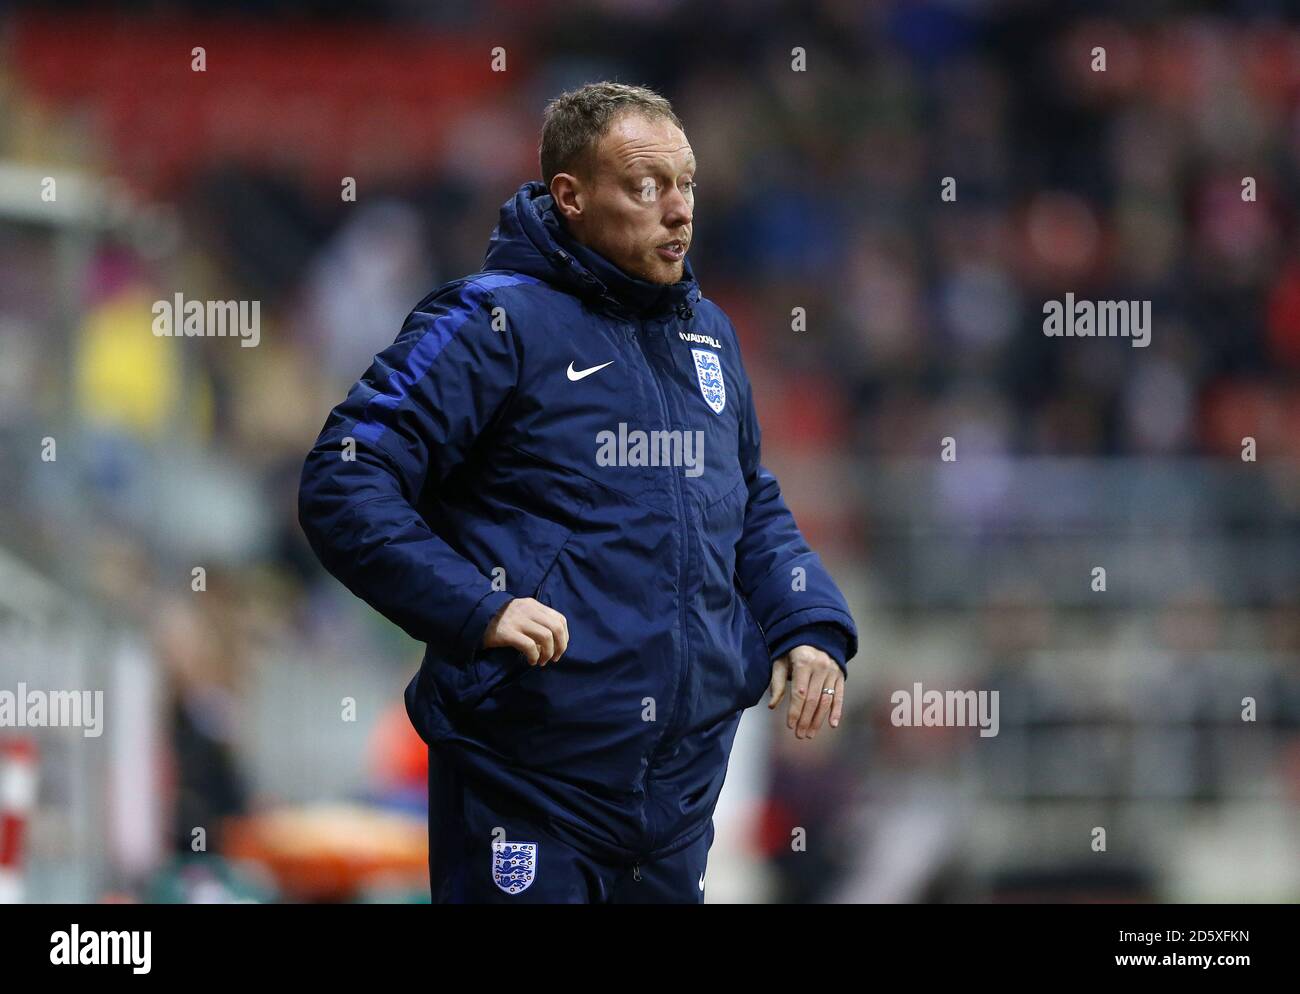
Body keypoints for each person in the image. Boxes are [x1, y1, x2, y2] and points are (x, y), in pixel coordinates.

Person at [298, 81, 858, 903]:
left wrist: (806, 620)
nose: (678, 211)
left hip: (677, 805)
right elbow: (344, 476)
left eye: (687, 185)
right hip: (528, 787)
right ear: (570, 197)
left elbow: (748, 501)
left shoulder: (708, 334)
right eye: (645, 186)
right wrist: (475, 607)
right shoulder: (492, 324)